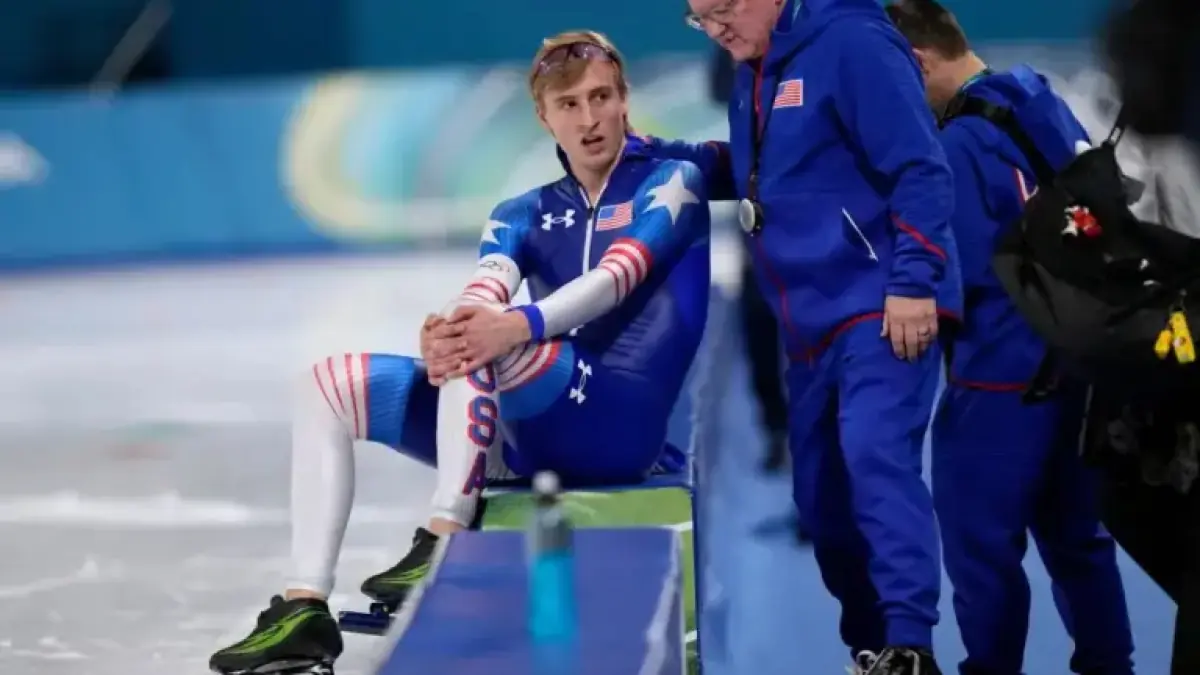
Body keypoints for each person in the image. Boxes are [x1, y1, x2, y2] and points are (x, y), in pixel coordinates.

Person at [207, 30, 724, 675]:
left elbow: (614, 280)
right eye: (568, 104)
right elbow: (486, 287)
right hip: (540, 418)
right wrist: (449, 328)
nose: (589, 118)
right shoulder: (521, 211)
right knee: (328, 384)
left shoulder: (673, 181)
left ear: (625, 102)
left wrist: (507, 327)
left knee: (491, 342)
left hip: (622, 425)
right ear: (545, 118)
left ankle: (445, 536)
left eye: (600, 98)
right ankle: (304, 607)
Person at [683, 0, 963, 672]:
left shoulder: (854, 41)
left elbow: (921, 167)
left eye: (722, 9)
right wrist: (655, 161)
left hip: (879, 304)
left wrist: (913, 281)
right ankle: (871, 645)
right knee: (821, 502)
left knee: (875, 455)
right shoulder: (754, 67)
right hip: (807, 324)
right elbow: (764, 170)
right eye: (699, 19)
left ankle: (910, 646)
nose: (716, 29)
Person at [884, 2, 1136, 674]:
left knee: (981, 548)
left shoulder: (955, 148)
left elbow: (952, 279)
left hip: (998, 378)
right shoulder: (1039, 97)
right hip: (1081, 366)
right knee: (1080, 538)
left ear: (915, 64)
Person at [708, 43, 790, 472]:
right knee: (759, 323)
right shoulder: (736, 45)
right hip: (758, 223)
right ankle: (776, 428)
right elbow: (719, 87)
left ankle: (812, 440)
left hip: (811, 225)